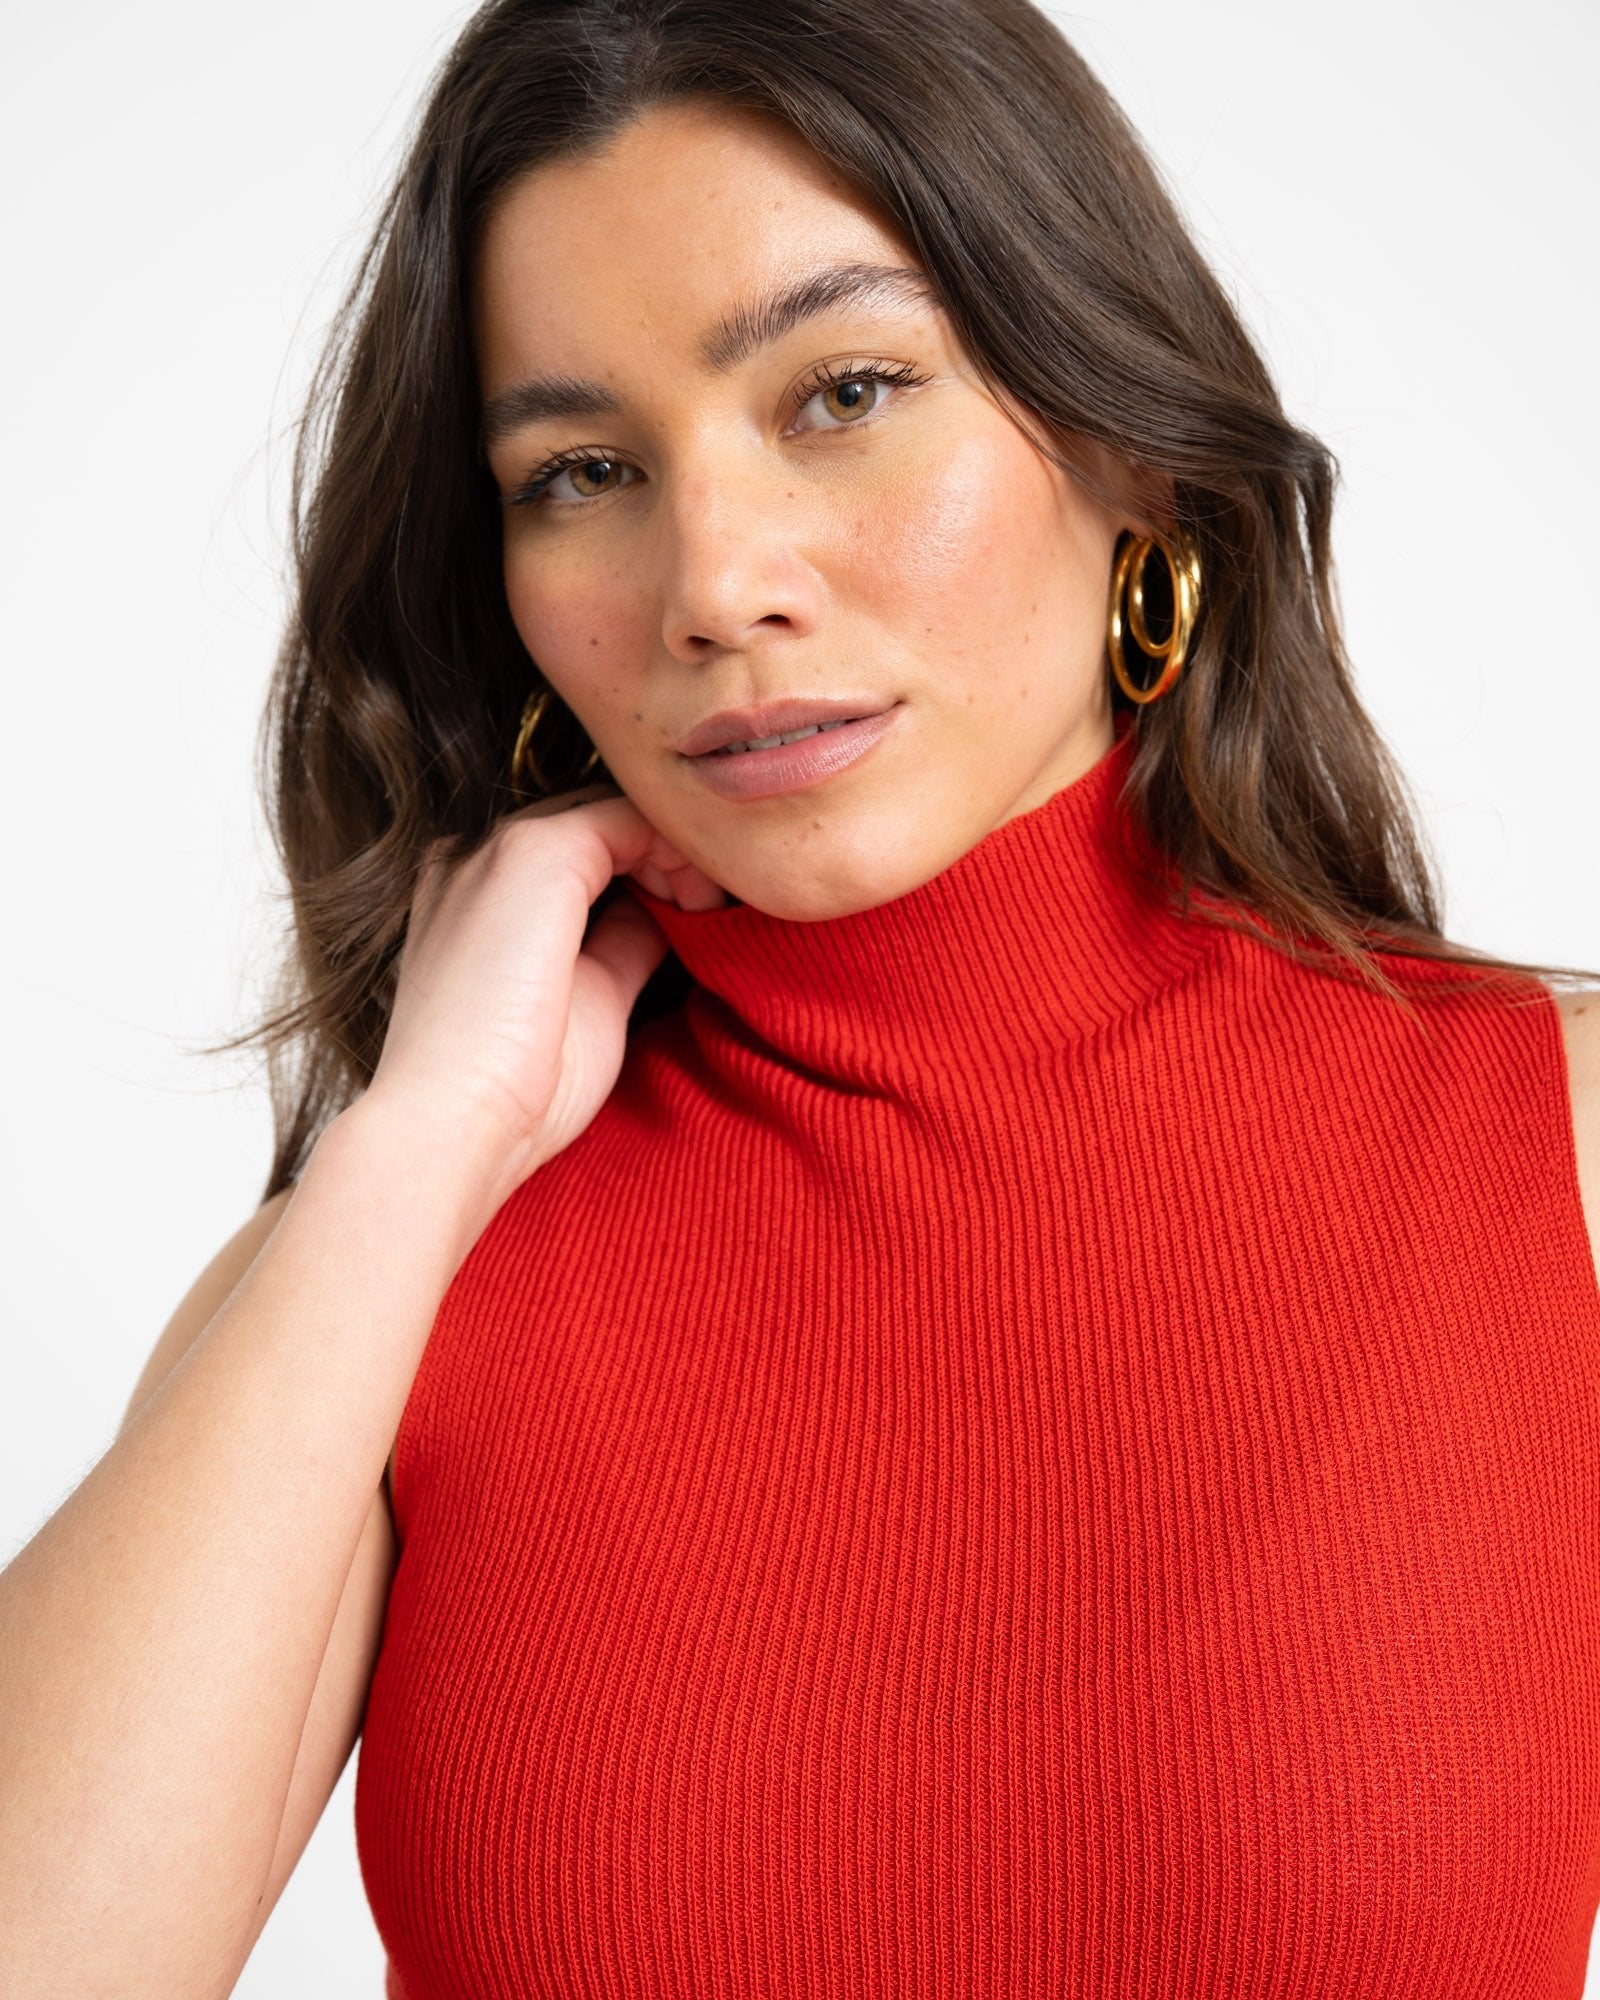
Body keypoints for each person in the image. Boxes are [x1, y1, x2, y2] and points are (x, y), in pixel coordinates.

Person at [4, 0, 1599, 1992]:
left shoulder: (1550, 1152)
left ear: (1127, 443)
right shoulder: (392, 1258)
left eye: (843, 391)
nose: (712, 582)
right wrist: (417, 1146)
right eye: (582, 469)